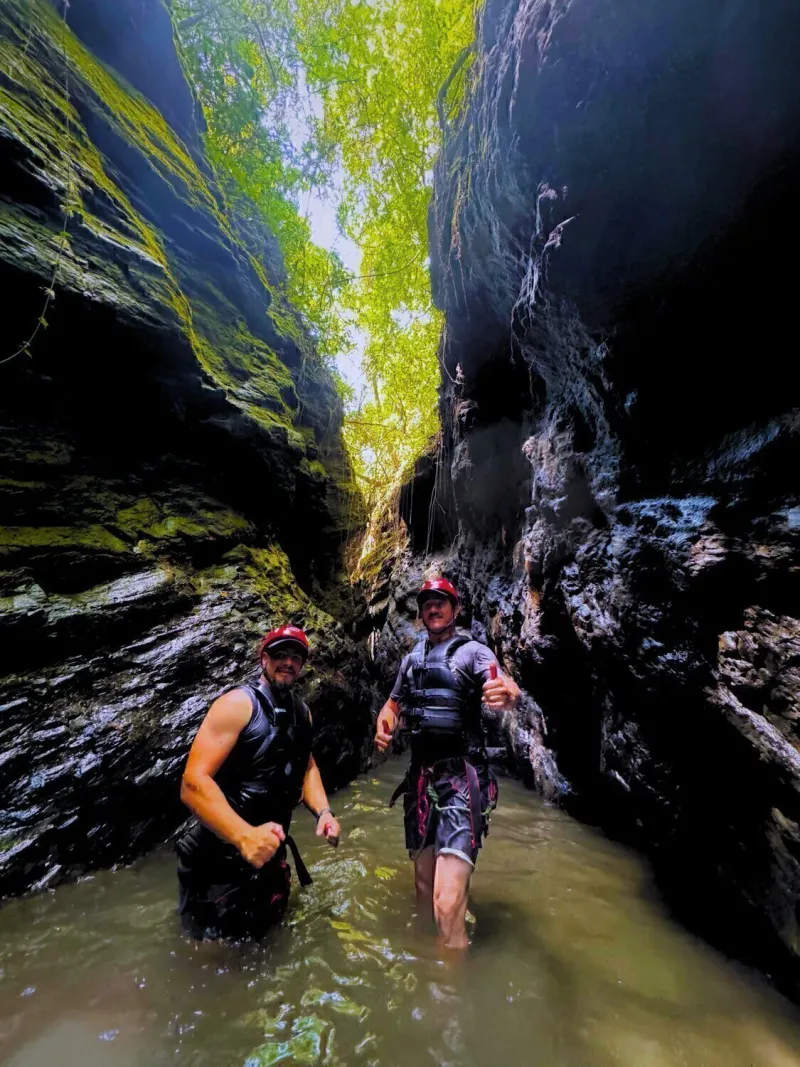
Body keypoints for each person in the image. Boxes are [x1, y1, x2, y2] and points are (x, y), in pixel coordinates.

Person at [375, 578, 520, 949]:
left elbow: (504, 683)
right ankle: (427, 959)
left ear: (455, 610)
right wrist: (385, 725)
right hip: (420, 781)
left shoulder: (474, 652)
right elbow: (392, 706)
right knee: (424, 891)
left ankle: (450, 994)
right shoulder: (411, 660)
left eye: (442, 603)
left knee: (446, 902)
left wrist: (506, 693)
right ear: (421, 613)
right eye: (427, 604)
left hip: (461, 781)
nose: (434, 609)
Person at [176, 624, 340, 940]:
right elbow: (193, 782)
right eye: (280, 654)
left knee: (266, 942)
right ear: (263, 658)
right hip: (219, 857)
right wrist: (244, 836)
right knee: (212, 960)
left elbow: (307, 769)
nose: (288, 662)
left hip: (269, 851)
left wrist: (323, 813)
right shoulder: (237, 705)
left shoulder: (302, 713)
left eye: (296, 656)